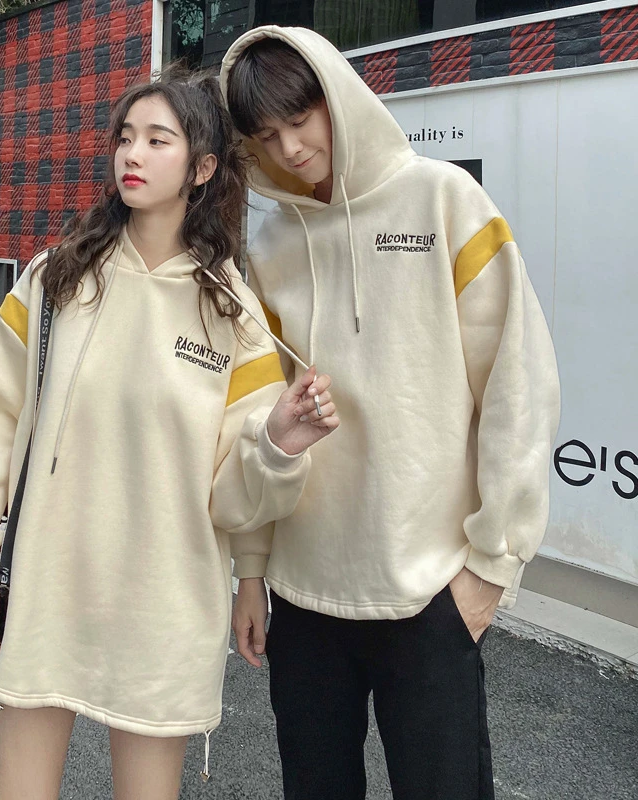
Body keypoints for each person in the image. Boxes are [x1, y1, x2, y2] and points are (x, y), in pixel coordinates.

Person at [0, 68, 339, 800]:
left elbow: (233, 499)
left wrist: (278, 444)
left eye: (158, 140)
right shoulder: (56, 280)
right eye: (126, 137)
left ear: (202, 168)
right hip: (47, 583)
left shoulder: (232, 313)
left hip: (166, 600)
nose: (133, 154)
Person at [221, 27, 560, 800]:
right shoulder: (268, 246)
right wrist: (251, 573)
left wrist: (490, 569)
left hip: (430, 589)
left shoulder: (444, 199)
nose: (291, 147)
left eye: (301, 118)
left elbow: (517, 383)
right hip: (304, 592)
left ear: (336, 96)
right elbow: (258, 417)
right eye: (266, 136)